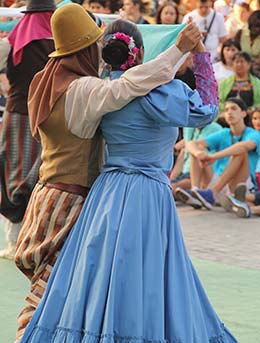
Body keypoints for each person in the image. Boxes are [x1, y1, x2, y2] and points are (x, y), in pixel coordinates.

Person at [19, 15, 239, 343]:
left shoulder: (99, 93)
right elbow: (208, 109)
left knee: (96, 275)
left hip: (104, 193)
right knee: (149, 274)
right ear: (140, 50)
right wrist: (200, 56)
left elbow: (128, 86)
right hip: (148, 193)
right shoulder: (163, 92)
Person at [0, 0, 57, 260]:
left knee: (13, 177)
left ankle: (15, 242)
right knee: (42, 177)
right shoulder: (62, 44)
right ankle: (36, 239)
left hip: (19, 115)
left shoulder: (13, 42)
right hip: (50, 119)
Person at [176, 98, 260, 210]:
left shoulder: (253, 133)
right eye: (226, 110)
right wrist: (199, 153)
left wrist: (214, 156)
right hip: (217, 181)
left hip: (239, 184)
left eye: (234, 109)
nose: (229, 112)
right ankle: (196, 192)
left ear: (243, 113)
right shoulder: (224, 133)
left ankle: (214, 194)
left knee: (241, 152)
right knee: (198, 149)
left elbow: (244, 146)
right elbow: (191, 144)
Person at [235, 10, 260, 76]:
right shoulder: (240, 34)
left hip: (256, 69)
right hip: (239, 65)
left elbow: (258, 61)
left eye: (259, 27)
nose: (257, 29)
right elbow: (235, 52)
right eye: (255, 26)